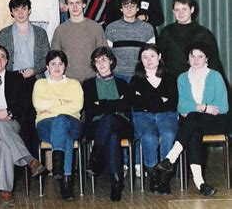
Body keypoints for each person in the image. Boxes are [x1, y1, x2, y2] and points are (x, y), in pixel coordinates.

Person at [0, 45, 45, 206]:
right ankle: (30, 160)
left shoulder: (16, 78)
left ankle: (6, 191)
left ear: (7, 60)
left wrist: (9, 113)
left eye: (2, 56)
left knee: (5, 143)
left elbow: (25, 105)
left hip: (11, 123)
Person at [154, 42, 229, 196]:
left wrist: (199, 108)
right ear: (187, 58)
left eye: (200, 56)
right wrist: (204, 107)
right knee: (193, 131)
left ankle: (170, 158)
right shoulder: (182, 78)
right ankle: (200, 183)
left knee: (192, 118)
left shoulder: (215, 76)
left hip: (216, 121)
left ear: (206, 59)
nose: (196, 60)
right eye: (192, 55)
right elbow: (181, 106)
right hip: (194, 123)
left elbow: (223, 106)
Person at [0, 0, 50, 153]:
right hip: (13, 79)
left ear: (29, 11)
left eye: (24, 9)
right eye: (16, 9)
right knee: (17, 118)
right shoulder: (4, 34)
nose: (20, 13)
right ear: (12, 13)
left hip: (35, 77)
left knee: (33, 117)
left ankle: (33, 156)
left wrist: (33, 70)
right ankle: (18, 158)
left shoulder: (40, 33)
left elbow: (45, 57)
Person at [82, 46, 133, 202]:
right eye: (97, 61)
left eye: (104, 59)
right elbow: (90, 108)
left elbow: (126, 105)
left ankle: (95, 157)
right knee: (110, 133)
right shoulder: (88, 85)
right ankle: (116, 183)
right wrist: (114, 103)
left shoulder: (123, 83)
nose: (101, 64)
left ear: (111, 61)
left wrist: (102, 104)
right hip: (97, 126)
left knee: (109, 120)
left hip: (122, 122)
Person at [33, 50, 83, 200]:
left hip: (72, 123)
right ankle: (66, 185)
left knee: (61, 120)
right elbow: (38, 104)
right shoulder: (40, 83)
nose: (56, 67)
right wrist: (62, 101)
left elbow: (77, 106)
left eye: (60, 64)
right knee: (64, 134)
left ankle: (57, 164)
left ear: (65, 66)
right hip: (45, 125)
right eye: (53, 64)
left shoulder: (74, 84)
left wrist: (51, 106)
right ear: (47, 67)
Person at [130, 44, 178, 192]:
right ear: (140, 60)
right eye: (144, 57)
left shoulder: (170, 78)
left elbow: (172, 102)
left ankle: (163, 177)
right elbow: (136, 104)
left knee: (169, 134)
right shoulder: (135, 80)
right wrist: (159, 100)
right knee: (149, 136)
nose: (149, 60)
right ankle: (153, 176)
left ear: (159, 57)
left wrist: (147, 99)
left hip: (167, 115)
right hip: (142, 116)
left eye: (152, 56)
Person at [158, 0, 223, 78]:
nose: (180, 13)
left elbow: (214, 63)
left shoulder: (204, 33)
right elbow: (159, 59)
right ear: (173, 11)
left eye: (184, 9)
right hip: (172, 82)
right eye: (177, 10)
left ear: (192, 10)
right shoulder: (166, 32)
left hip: (198, 81)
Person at [51, 0, 107, 82]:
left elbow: (103, 56)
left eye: (78, 3)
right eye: (71, 3)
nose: (75, 6)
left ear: (84, 4)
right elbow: (54, 59)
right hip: (67, 80)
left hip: (92, 79)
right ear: (67, 6)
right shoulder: (60, 30)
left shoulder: (96, 28)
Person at [105, 0, 155, 83]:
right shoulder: (111, 28)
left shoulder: (148, 29)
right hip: (117, 75)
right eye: (125, 5)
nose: (129, 9)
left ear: (138, 8)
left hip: (141, 75)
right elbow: (107, 55)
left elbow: (152, 54)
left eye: (132, 6)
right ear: (121, 8)